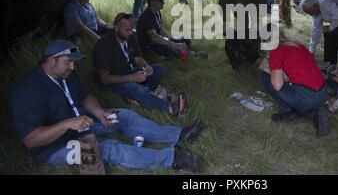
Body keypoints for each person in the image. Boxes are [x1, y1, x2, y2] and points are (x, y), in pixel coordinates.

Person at [9, 39, 203, 172]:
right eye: (68, 62)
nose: (73, 68)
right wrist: (67, 124)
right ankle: (172, 159)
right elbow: (31, 140)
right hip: (53, 147)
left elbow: (85, 97)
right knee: (107, 148)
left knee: (124, 116)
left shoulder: (66, 74)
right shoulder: (27, 91)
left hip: (80, 124)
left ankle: (179, 135)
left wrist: (100, 113)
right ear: (51, 61)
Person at [93, 12, 186, 115]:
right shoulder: (103, 46)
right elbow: (105, 79)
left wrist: (146, 66)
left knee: (158, 68)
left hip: (131, 73)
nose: (131, 32)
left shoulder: (131, 37)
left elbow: (138, 59)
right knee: (135, 88)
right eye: (127, 30)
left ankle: (142, 96)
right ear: (116, 28)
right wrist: (131, 78)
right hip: (115, 82)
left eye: (132, 29)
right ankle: (170, 109)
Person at [259, 26, 329, 136]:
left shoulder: (276, 51)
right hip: (323, 93)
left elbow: (277, 85)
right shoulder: (298, 44)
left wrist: (270, 68)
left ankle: (288, 112)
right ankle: (314, 113)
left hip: (306, 97)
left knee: (265, 76)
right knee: (284, 81)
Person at [137, 0, 207, 60]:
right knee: (173, 51)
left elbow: (160, 29)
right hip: (151, 46)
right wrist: (174, 44)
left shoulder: (157, 13)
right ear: (152, 2)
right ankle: (192, 55)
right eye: (160, 1)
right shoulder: (146, 17)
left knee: (186, 40)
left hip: (159, 41)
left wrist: (171, 39)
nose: (163, 3)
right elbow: (154, 37)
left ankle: (183, 52)